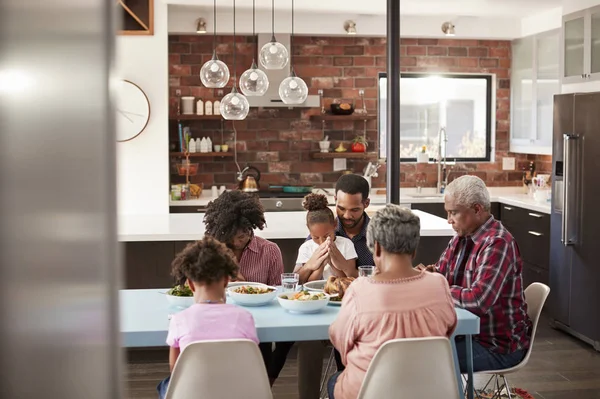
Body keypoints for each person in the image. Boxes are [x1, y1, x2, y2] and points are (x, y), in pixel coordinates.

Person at [328, 205, 457, 399]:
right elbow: (447, 331)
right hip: (429, 390)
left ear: (377, 247)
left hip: (370, 393)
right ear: (413, 250)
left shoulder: (360, 290)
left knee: (334, 380)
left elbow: (340, 341)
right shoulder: (440, 284)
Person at [424, 175, 532, 373]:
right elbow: (441, 273)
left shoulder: (498, 243)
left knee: (425, 362)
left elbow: (477, 301)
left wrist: (435, 285)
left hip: (496, 346)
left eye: (453, 213)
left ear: (476, 209)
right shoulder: (461, 237)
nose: (449, 220)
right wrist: (427, 275)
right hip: (464, 334)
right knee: (415, 350)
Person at [203, 190, 290, 384]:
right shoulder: (212, 249)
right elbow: (194, 288)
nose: (239, 240)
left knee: (285, 340)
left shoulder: (269, 251)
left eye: (244, 233)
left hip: (258, 320)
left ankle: (265, 385)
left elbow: (279, 293)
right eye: (233, 235)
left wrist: (248, 286)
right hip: (220, 320)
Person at [157, 238, 259, 399]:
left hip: (193, 394)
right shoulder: (245, 318)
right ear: (226, 281)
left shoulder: (179, 320)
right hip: (237, 392)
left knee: (166, 384)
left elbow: (175, 371)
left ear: (190, 285)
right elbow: (251, 364)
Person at [295, 193, 358, 284]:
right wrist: (321, 265)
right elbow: (308, 283)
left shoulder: (346, 244)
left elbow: (348, 280)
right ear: (308, 230)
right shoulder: (306, 247)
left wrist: (333, 263)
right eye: (316, 237)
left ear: (335, 225)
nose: (322, 242)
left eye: (326, 236)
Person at [332, 174, 374, 270]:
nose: (347, 216)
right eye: (341, 208)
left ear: (366, 203)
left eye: (354, 210)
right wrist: (311, 264)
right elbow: (297, 277)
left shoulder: (379, 235)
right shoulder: (324, 231)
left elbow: (388, 279)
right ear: (335, 200)